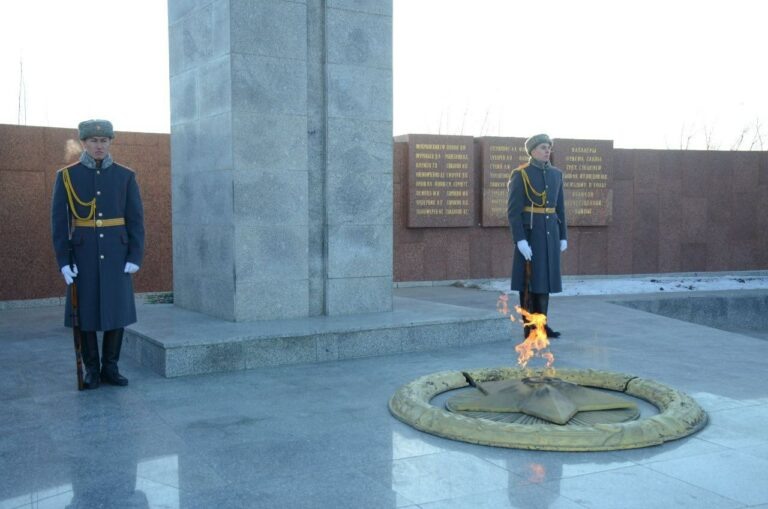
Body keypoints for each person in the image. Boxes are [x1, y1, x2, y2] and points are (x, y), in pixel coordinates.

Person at [51, 119, 145, 389]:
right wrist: (64, 261)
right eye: (93, 140)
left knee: (117, 311)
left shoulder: (125, 176)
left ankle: (111, 368)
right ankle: (92, 369)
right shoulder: (67, 176)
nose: (99, 145)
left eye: (104, 141)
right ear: (84, 143)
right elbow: (59, 223)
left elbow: (136, 219)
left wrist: (134, 255)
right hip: (83, 257)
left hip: (117, 254)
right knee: (87, 312)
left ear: (110, 142)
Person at [507, 134, 567, 337]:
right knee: (529, 281)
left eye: (549, 147)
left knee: (545, 282)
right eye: (543, 147)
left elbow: (560, 208)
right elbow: (514, 212)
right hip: (531, 235)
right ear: (532, 150)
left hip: (550, 235)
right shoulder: (521, 174)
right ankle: (529, 327)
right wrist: (520, 239)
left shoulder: (556, 174)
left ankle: (542, 325)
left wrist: (563, 236)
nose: (547, 150)